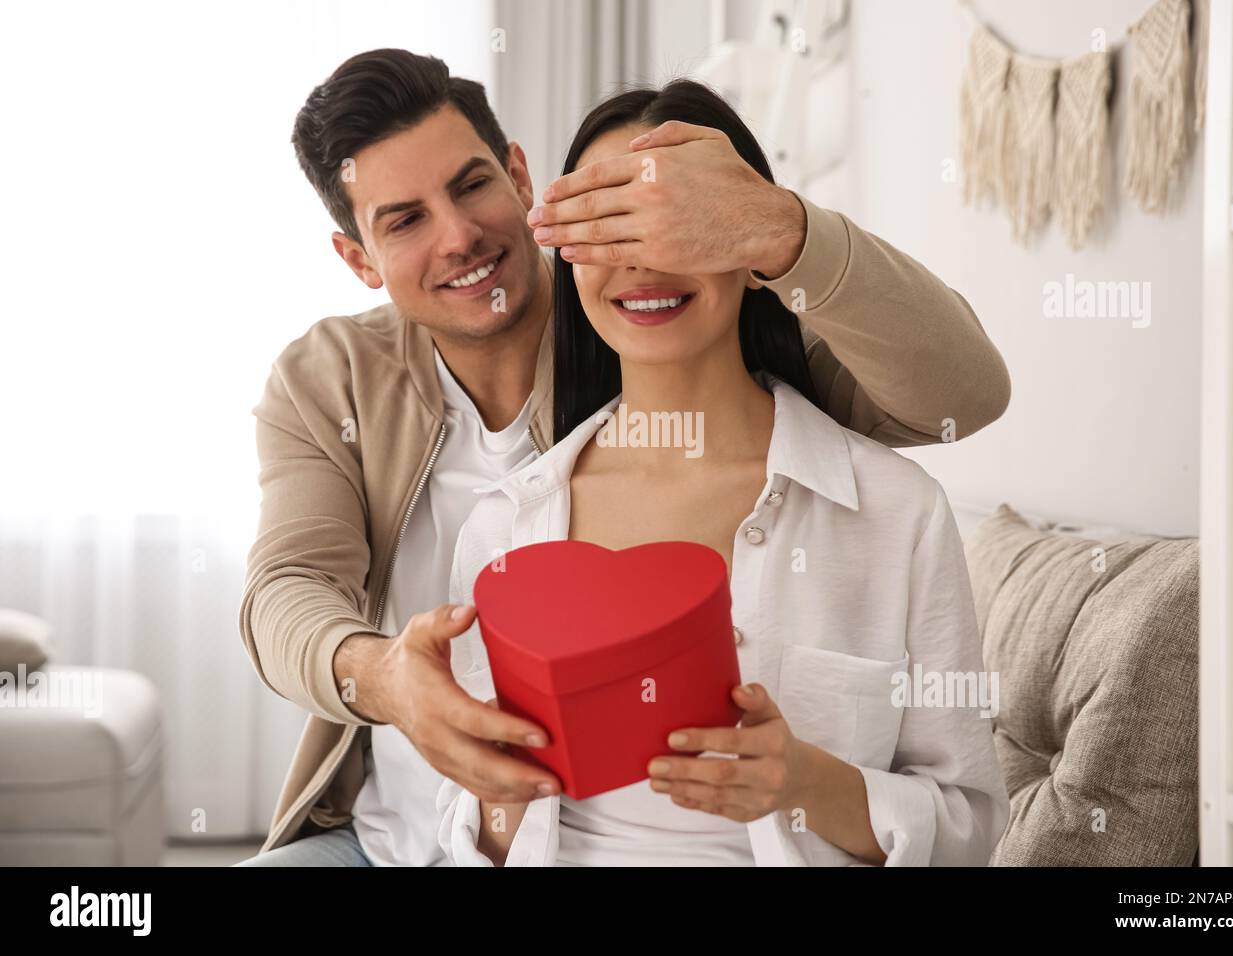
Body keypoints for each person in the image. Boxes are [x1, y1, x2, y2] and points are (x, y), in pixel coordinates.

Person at [237, 49, 1010, 866]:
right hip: (397, 833)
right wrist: (388, 679)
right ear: (359, 258)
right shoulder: (341, 389)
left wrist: (778, 227)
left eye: (471, 186)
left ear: (523, 179)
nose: (459, 237)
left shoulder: (678, 316)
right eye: (404, 219)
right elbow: (285, 590)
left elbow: (962, 392)